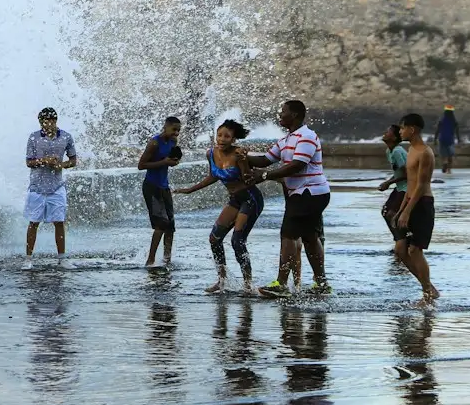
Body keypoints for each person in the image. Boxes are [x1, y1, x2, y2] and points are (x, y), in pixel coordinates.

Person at [247, 100, 333, 298]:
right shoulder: (287, 139)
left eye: (283, 112)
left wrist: (266, 175)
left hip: (309, 193)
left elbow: (297, 165)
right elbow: (264, 159)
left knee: (288, 235)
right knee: (310, 237)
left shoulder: (307, 136)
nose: (280, 115)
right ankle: (321, 284)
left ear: (294, 115)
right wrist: (240, 154)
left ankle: (281, 284)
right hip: (303, 194)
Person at [176, 119, 265, 294]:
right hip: (234, 200)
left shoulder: (238, 154)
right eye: (219, 135)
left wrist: (245, 161)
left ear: (233, 139)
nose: (222, 139)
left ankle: (248, 284)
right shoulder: (210, 153)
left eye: (227, 136)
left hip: (250, 199)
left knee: (237, 241)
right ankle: (222, 280)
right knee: (214, 238)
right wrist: (190, 190)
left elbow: (248, 177)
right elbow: (213, 176)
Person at [23, 107, 77, 269]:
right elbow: (29, 162)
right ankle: (28, 259)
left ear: (56, 121)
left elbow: (73, 161)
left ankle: (62, 258)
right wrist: (44, 161)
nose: (48, 124)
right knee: (34, 222)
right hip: (37, 187)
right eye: (45, 121)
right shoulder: (34, 138)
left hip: (56, 186)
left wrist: (60, 164)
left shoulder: (66, 137)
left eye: (52, 120)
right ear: (40, 122)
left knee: (59, 222)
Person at [395, 113, 441, 305]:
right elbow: (410, 183)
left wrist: (407, 211)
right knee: (400, 250)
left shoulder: (425, 152)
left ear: (412, 129)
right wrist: (400, 210)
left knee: (415, 250)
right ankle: (429, 288)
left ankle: (427, 294)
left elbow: (422, 185)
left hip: (422, 204)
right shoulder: (411, 150)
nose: (400, 131)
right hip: (410, 202)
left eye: (402, 128)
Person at [136, 117, 183, 268]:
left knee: (170, 225)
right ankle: (150, 260)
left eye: (178, 130)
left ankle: (166, 259)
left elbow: (168, 159)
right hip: (151, 186)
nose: (176, 133)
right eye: (173, 129)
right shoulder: (154, 143)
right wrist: (164, 162)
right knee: (161, 223)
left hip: (164, 186)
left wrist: (174, 161)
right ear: (165, 127)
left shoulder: (173, 142)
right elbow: (141, 165)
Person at [375, 123, 409, 239]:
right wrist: (387, 182)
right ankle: (399, 239)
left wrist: (388, 183)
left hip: (406, 188)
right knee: (385, 212)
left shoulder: (397, 152)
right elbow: (398, 173)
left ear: (394, 138)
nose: (385, 132)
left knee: (391, 214)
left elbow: (407, 174)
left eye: (388, 131)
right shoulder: (389, 152)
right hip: (400, 187)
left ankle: (402, 240)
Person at [434, 106, 459, 174]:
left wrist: (435, 139)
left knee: (443, 154)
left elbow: (437, 130)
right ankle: (449, 170)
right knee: (450, 155)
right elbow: (457, 131)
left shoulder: (441, 120)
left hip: (442, 139)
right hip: (450, 140)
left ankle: (445, 162)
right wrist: (459, 139)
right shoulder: (454, 121)